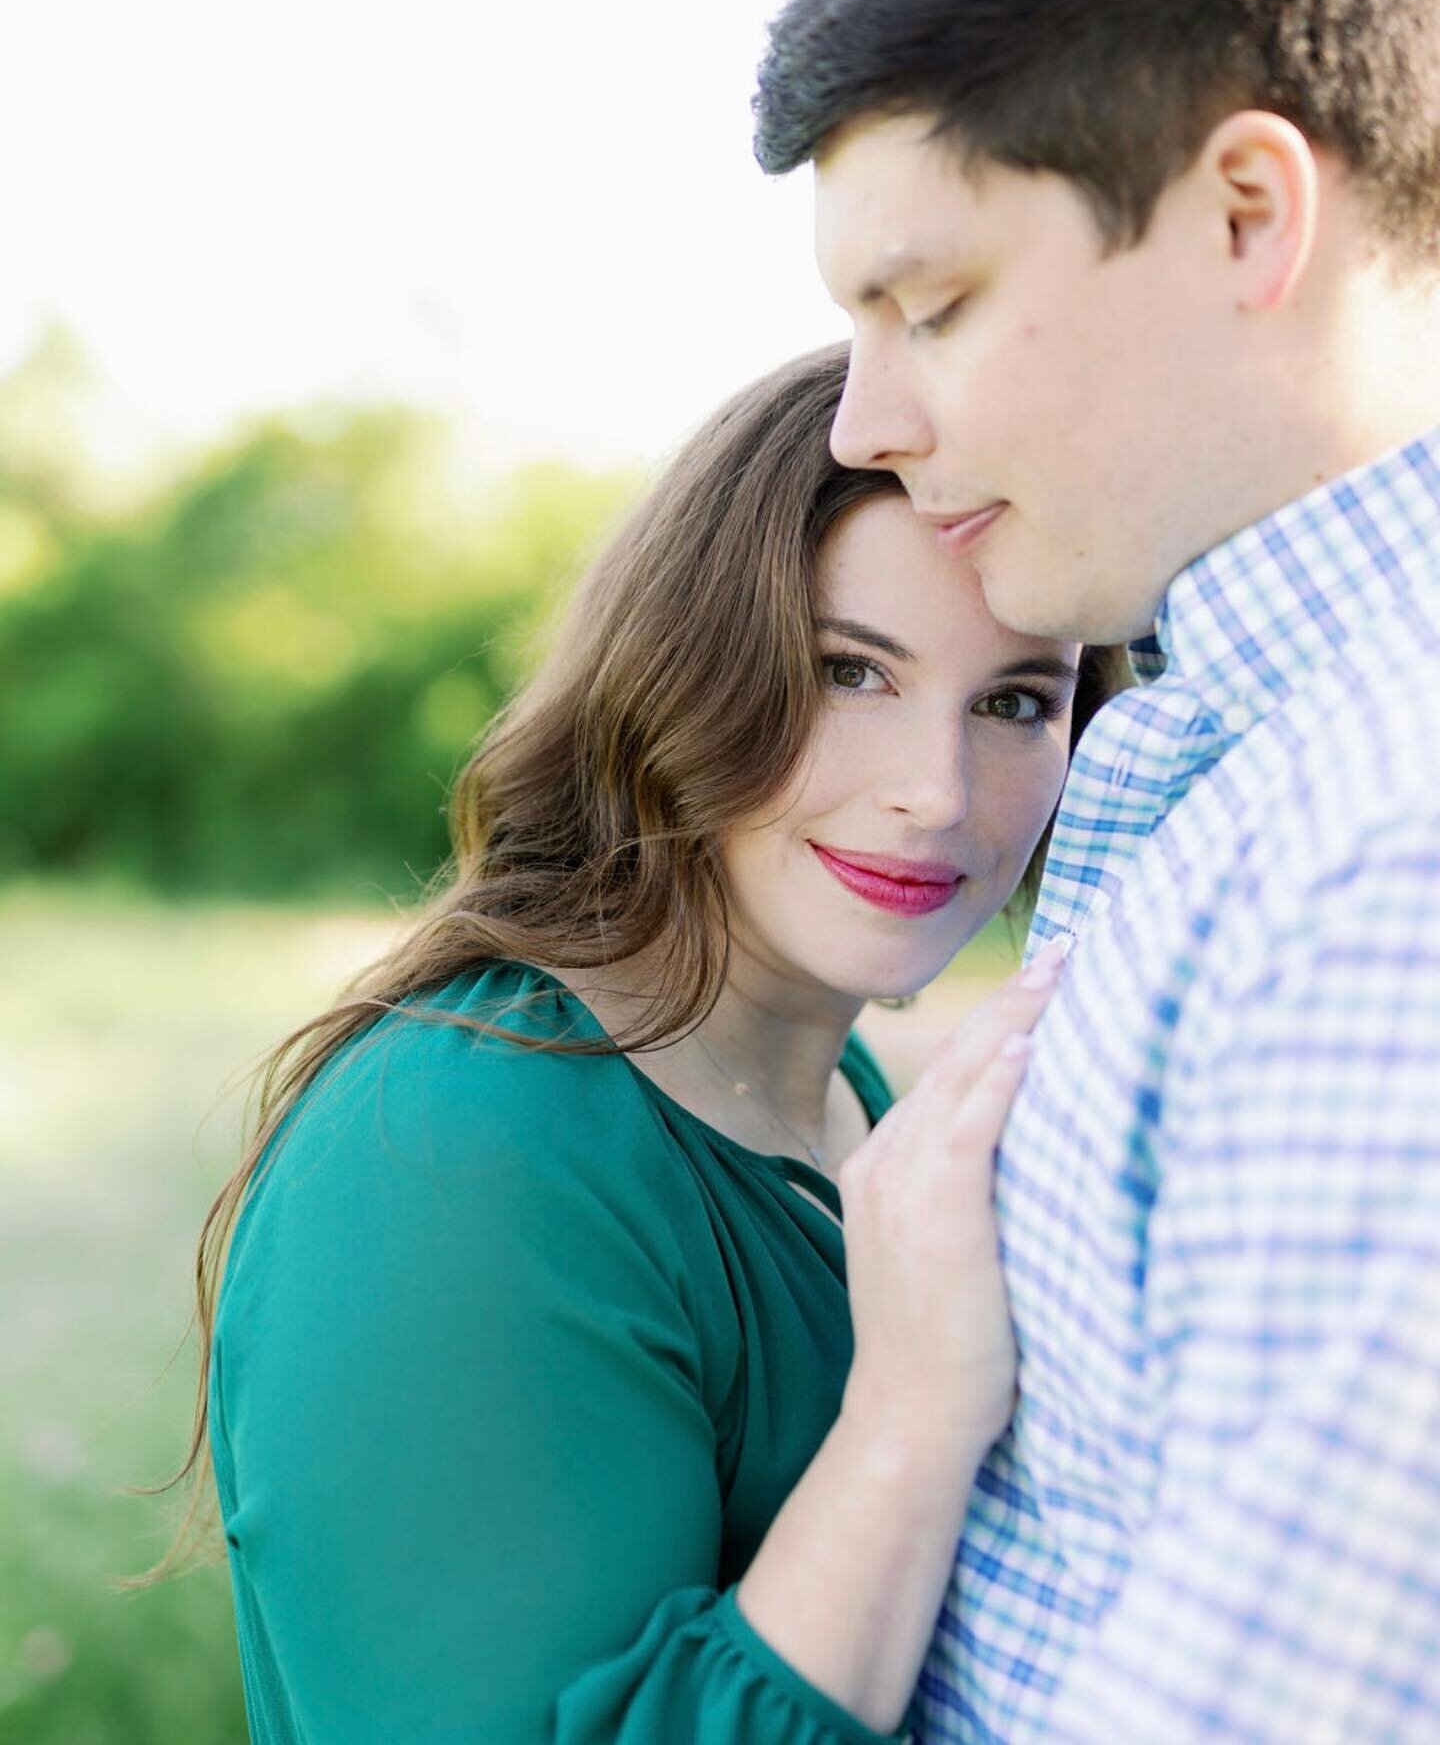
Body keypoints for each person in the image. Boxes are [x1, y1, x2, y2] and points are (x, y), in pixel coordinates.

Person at [151, 343, 1124, 1741]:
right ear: (688, 673)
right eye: (850, 671)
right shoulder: (464, 1144)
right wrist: (911, 1420)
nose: (936, 792)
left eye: (1019, 701)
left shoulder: (832, 1091)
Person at [752, 0, 1440, 1741]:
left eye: (934, 303)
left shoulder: (1393, 859)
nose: (863, 424)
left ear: (1242, 218)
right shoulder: (1257, 757)